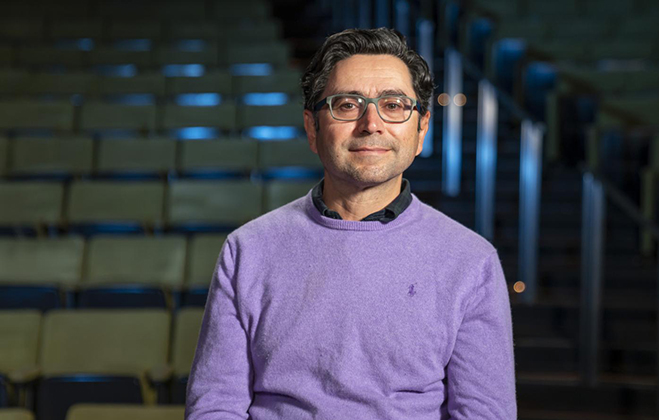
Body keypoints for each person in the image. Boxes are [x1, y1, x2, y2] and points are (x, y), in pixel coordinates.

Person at [185, 28, 516, 419]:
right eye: (347, 105)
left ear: (421, 129)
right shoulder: (248, 249)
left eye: (393, 105)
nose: (371, 123)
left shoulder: (471, 260)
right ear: (312, 128)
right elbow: (215, 406)